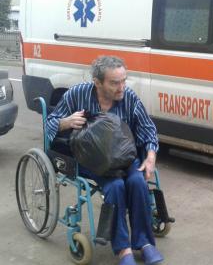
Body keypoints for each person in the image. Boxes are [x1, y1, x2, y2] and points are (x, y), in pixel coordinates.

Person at [46, 56, 163, 265]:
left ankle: (145, 243)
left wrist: (151, 156)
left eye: (124, 81)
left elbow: (147, 128)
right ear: (98, 82)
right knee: (116, 186)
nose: (121, 88)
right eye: (115, 83)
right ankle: (123, 249)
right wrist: (66, 122)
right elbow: (50, 124)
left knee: (137, 182)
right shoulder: (78, 94)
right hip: (92, 160)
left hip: (124, 156)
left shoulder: (129, 97)